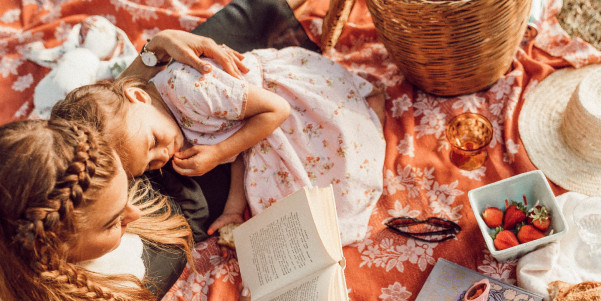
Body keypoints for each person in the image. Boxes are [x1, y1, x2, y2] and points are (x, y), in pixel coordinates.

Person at [0, 118, 251, 301]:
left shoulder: (72, 168)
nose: (134, 212)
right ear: (56, 251)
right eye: (112, 221)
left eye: (127, 187)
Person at [51, 45, 386, 246]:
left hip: (282, 102)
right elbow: (240, 148)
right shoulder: (161, 123)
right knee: (291, 210)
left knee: (343, 156)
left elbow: (276, 111)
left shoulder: (189, 89)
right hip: (257, 128)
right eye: (151, 164)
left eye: (153, 144)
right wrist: (230, 210)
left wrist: (217, 153)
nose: (163, 155)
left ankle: (372, 110)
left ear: (139, 96)